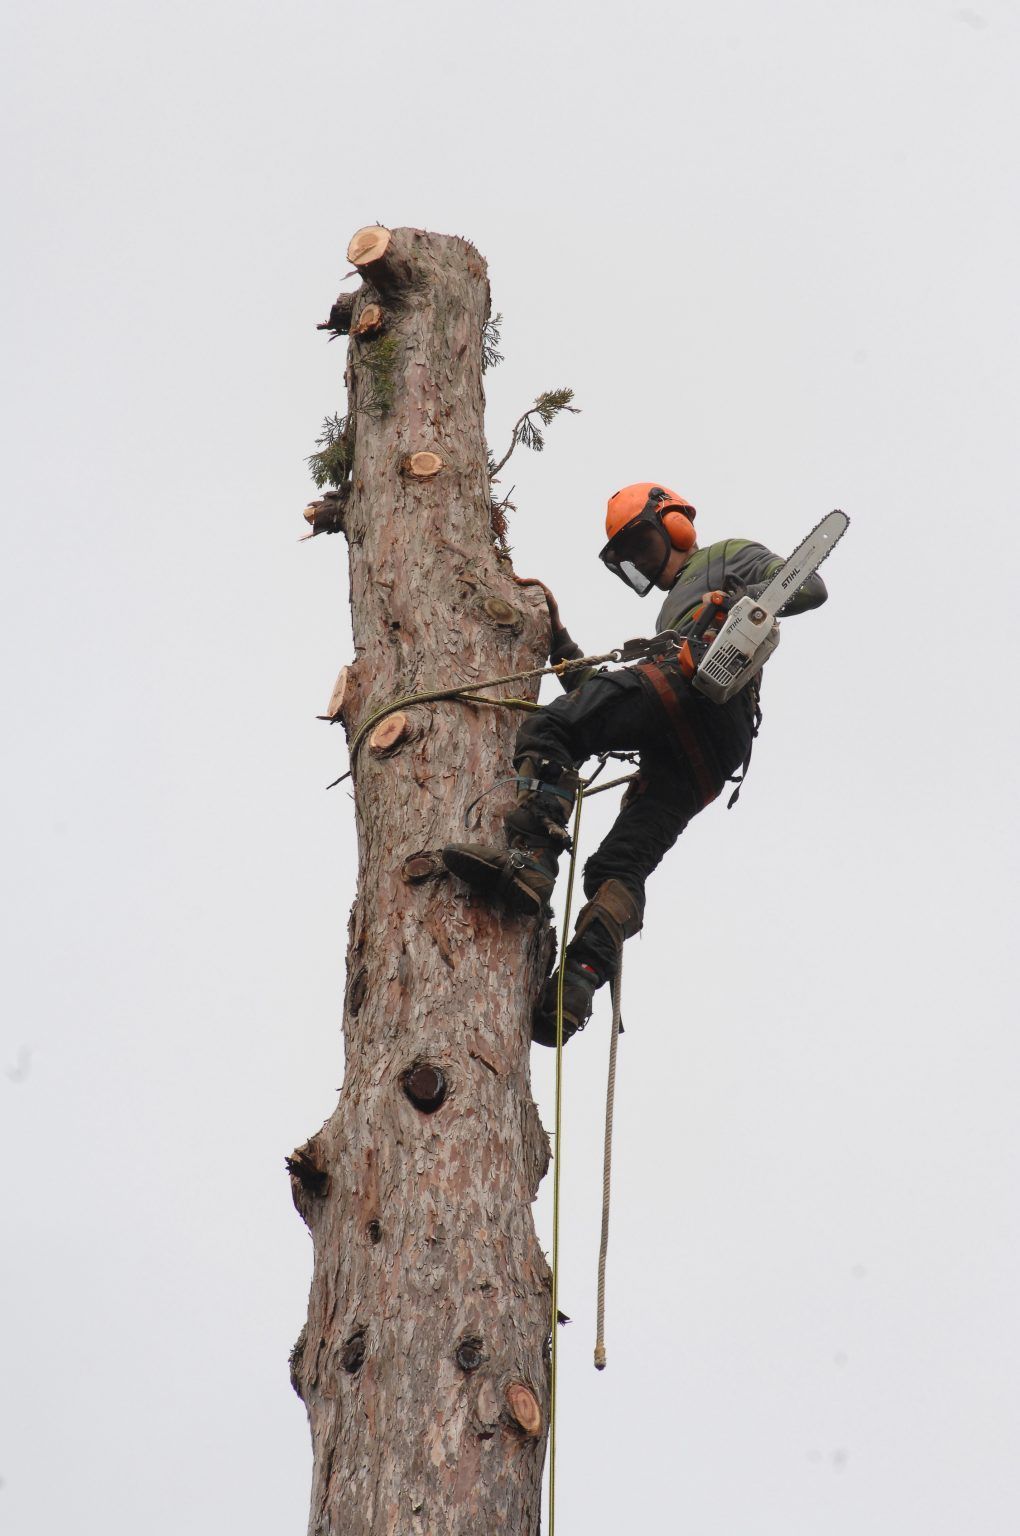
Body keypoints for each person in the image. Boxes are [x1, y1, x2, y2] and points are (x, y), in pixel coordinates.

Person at [443, 484, 828, 1046]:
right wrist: (559, 643)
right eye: (633, 557)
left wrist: (744, 599)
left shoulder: (725, 556)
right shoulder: (670, 613)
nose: (645, 561)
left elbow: (808, 586)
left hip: (697, 689)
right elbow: (611, 706)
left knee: (550, 729)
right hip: (704, 753)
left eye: (646, 543)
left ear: (674, 524)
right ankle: (576, 986)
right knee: (618, 868)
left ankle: (532, 862)